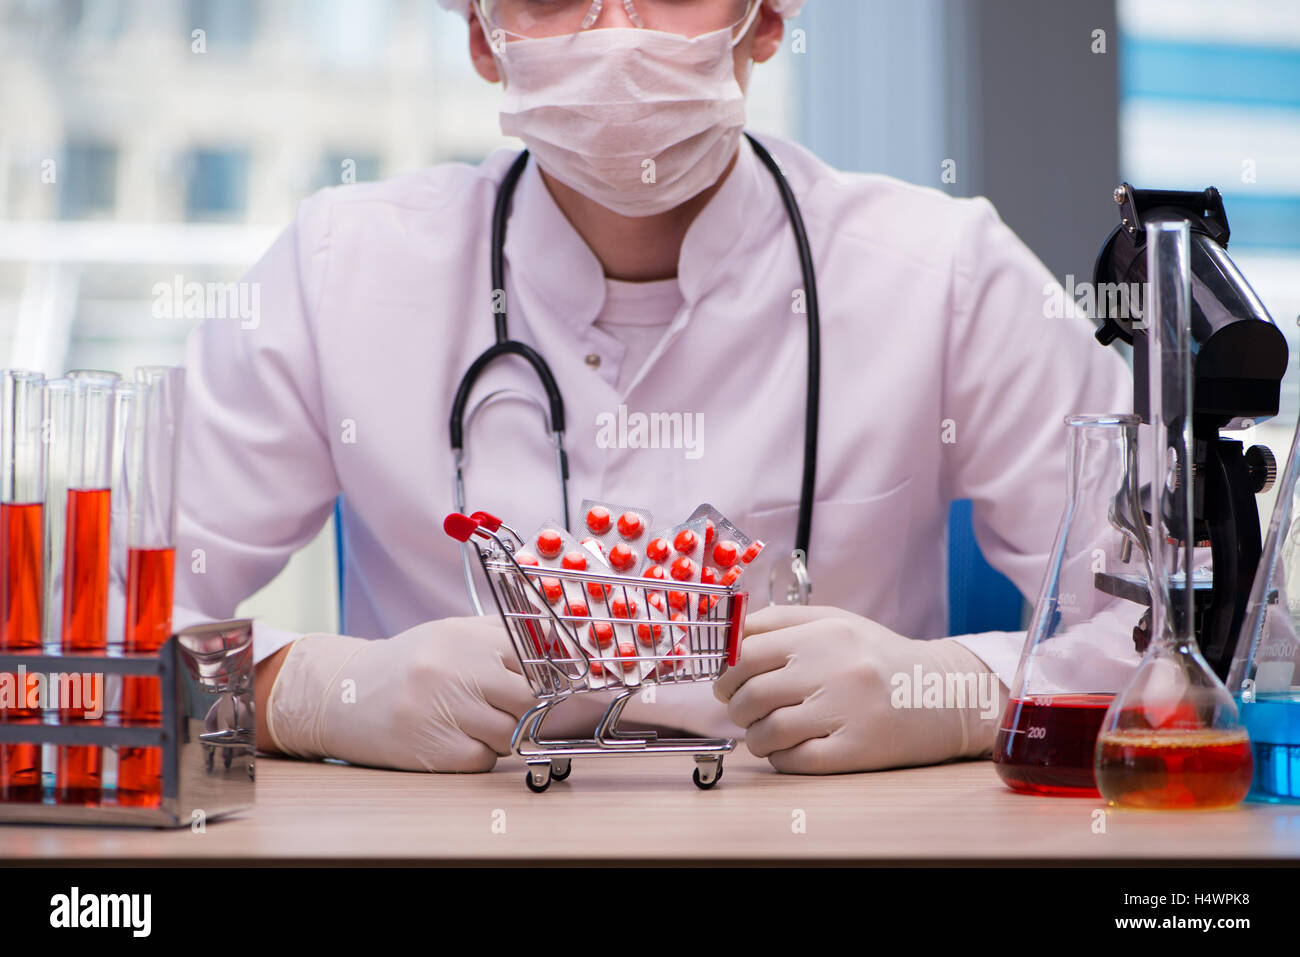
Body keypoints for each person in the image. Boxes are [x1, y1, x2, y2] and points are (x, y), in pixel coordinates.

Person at [172, 0, 1130, 775]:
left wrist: (954, 690)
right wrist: (306, 691)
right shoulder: (339, 270)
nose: (615, 33)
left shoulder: (946, 274)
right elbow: (87, 626)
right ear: (480, 30)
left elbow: (1173, 628)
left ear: (765, 18)